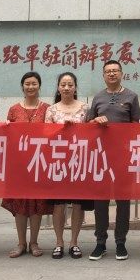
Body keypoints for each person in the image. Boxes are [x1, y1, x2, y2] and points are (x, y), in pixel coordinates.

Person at [86, 60, 140, 261]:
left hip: (123, 156)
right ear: (103, 75)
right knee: (100, 200)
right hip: (100, 156)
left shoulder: (131, 96)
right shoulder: (98, 97)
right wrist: (95, 121)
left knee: (123, 200)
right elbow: (88, 124)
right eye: (108, 71)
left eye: (115, 71)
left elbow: (136, 125)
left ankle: (120, 242)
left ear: (121, 73)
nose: (112, 74)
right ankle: (100, 242)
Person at [1, 71, 53, 258]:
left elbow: (52, 133)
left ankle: (34, 242)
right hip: (19, 165)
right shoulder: (14, 109)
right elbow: (8, 136)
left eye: (34, 83)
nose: (31, 87)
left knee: (37, 203)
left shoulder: (48, 109)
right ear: (22, 86)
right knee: (20, 204)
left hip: (40, 163)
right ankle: (21, 243)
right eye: (27, 84)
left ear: (39, 86)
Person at [45, 71, 94, 259]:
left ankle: (74, 242)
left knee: (77, 203)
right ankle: (59, 242)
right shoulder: (51, 110)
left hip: (79, 161)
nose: (66, 88)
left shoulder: (85, 108)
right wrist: (60, 129)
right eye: (63, 84)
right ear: (58, 88)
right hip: (58, 161)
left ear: (75, 88)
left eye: (70, 85)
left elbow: (91, 133)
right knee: (59, 204)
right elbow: (44, 134)